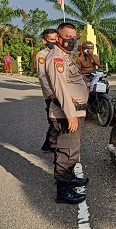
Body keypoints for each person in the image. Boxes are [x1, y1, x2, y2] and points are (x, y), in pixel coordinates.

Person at [45, 23, 89, 204]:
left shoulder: (66, 56)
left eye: (74, 38)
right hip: (66, 114)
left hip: (74, 112)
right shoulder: (56, 58)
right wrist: (71, 114)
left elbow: (71, 80)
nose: (71, 41)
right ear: (58, 38)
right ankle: (63, 191)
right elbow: (60, 88)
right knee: (67, 151)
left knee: (69, 149)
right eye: (68, 37)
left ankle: (69, 178)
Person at [36, 28, 58, 152]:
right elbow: (42, 76)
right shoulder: (42, 55)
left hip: (61, 92)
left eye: (56, 39)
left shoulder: (59, 53)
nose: (54, 42)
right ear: (44, 41)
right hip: (51, 94)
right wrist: (50, 94)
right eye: (51, 39)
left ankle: (48, 144)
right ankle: (52, 145)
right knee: (54, 119)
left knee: (58, 119)